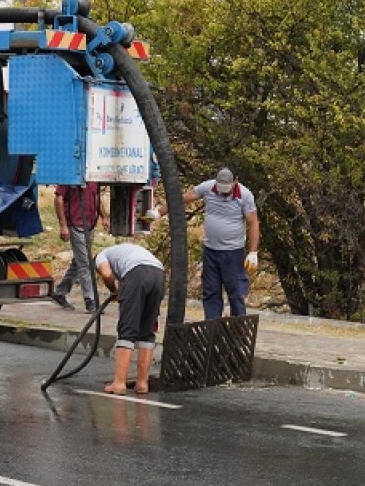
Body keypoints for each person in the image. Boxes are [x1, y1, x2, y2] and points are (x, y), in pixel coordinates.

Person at [182, 167, 260, 320]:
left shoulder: (245, 195)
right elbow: (183, 198)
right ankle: (212, 329)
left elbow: (253, 223)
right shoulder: (208, 187)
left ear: (235, 181)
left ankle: (238, 332)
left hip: (233, 253)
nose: (223, 191)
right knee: (210, 292)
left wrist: (253, 252)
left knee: (236, 293)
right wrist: (158, 212)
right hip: (211, 251)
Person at [95, 242, 166, 395]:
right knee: (147, 330)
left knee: (127, 328)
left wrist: (113, 290)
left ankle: (119, 384)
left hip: (137, 274)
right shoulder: (123, 251)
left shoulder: (101, 256)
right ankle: (142, 384)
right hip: (159, 274)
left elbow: (107, 274)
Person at [51, 181, 103, 312]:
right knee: (85, 262)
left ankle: (60, 292)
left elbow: (96, 197)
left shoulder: (93, 177)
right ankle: (90, 300)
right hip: (74, 224)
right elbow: (58, 199)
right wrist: (63, 225)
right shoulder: (69, 176)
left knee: (79, 261)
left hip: (89, 225)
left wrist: (104, 217)